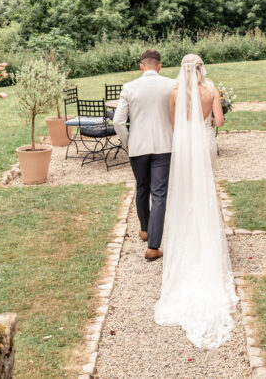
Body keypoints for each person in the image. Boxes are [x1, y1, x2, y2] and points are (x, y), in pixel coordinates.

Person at [154, 53, 237, 349]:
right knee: (205, 191)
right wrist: (206, 125)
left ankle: (186, 235)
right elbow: (219, 120)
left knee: (185, 191)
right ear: (201, 70)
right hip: (203, 144)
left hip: (184, 147)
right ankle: (205, 237)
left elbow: (174, 125)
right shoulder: (211, 90)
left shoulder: (175, 92)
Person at [112, 49, 174, 261]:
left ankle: (145, 229)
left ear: (141, 66)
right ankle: (153, 246)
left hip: (138, 148)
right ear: (159, 66)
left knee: (142, 187)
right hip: (165, 146)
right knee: (159, 194)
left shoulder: (129, 87)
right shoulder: (171, 84)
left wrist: (128, 142)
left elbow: (118, 121)